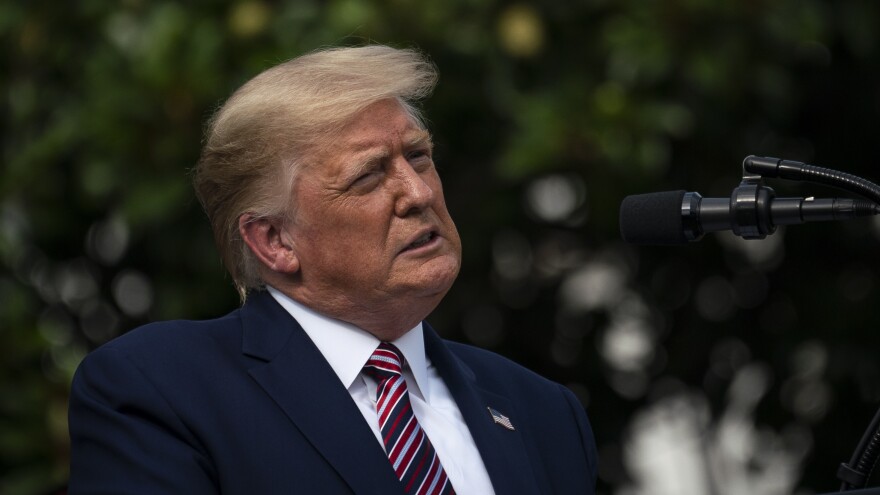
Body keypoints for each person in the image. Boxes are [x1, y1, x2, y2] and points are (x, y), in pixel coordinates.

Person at [68, 45, 598, 494]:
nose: (418, 193)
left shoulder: (543, 411)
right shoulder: (160, 391)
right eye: (368, 176)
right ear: (275, 240)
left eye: (418, 157)